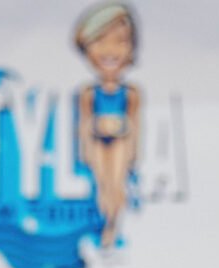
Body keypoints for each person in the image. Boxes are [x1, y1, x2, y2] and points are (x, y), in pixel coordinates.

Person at [74, 3, 142, 251]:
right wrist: (85, 150)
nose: (110, 50)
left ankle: (113, 226)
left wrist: (133, 152)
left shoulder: (131, 92)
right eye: (100, 41)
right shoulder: (88, 93)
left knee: (116, 183)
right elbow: (84, 123)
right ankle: (106, 225)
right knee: (104, 185)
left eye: (120, 41)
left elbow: (135, 123)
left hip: (121, 141)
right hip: (98, 142)